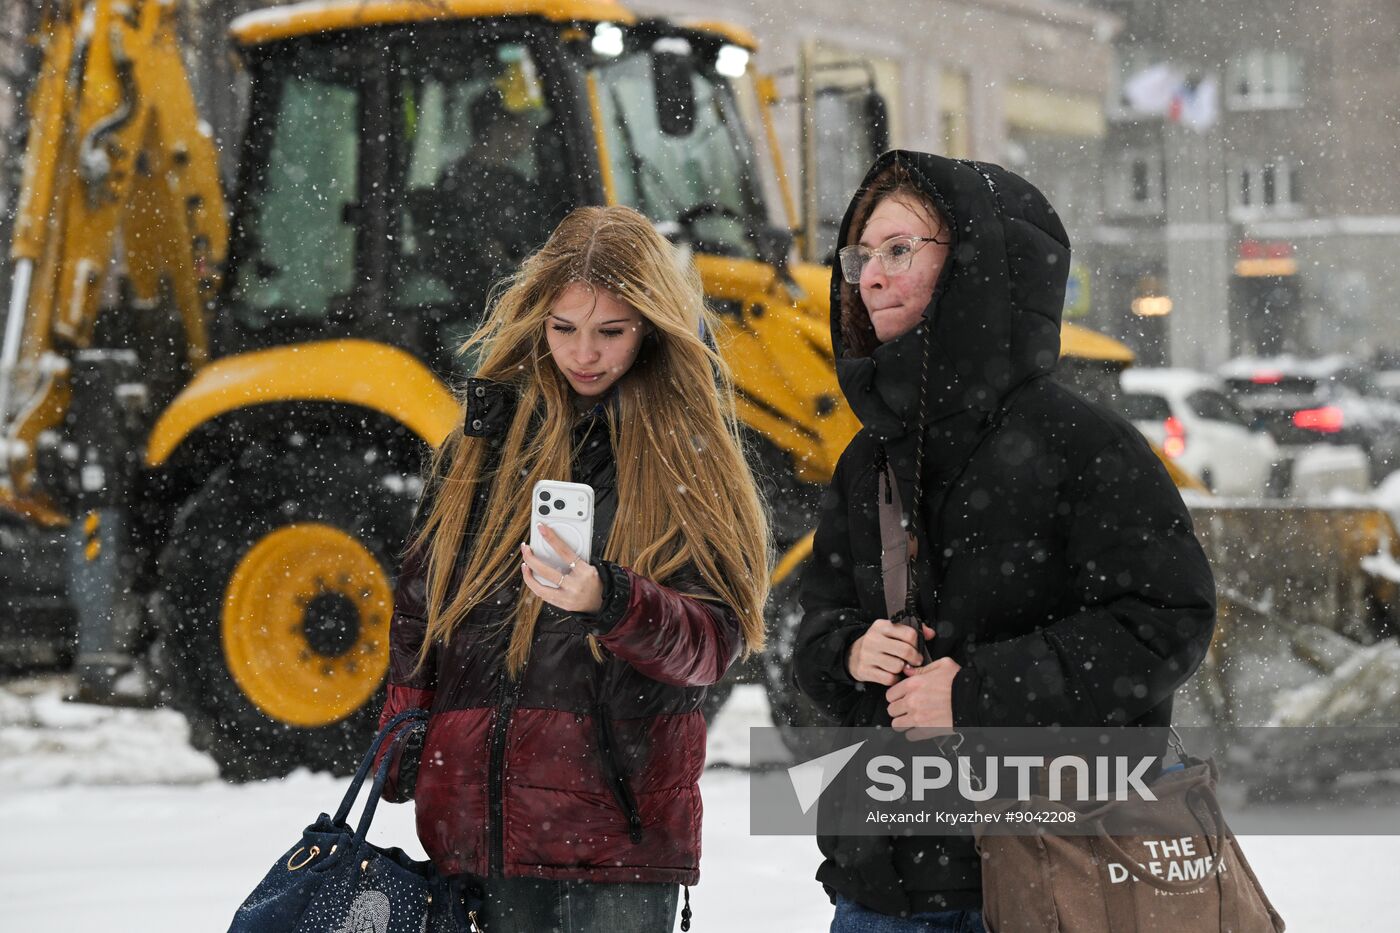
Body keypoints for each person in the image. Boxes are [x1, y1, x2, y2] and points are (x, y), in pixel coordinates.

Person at [792, 150, 1216, 931]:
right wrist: (850, 651)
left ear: (977, 270)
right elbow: (812, 624)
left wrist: (976, 694)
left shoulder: (1081, 443)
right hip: (880, 890)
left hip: (1049, 881)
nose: (871, 276)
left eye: (899, 250)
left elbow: (1165, 620)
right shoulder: (867, 455)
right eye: (859, 256)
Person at [378, 205, 771, 932]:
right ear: (538, 319)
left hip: (614, 841)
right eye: (564, 328)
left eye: (610, 331)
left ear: (651, 327)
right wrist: (406, 731)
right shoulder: (484, 442)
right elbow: (423, 604)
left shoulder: (686, 454)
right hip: (480, 827)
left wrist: (612, 600)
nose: (583, 352)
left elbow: (713, 642)